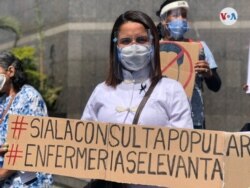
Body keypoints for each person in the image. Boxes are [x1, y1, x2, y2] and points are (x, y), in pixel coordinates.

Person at [81, 10, 193, 188]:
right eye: (126, 41)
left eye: (141, 40)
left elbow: (185, 149)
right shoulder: (101, 92)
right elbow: (83, 146)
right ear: (116, 46)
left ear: (152, 43)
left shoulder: (172, 90)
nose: (134, 46)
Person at [156, 0, 221, 129]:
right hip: (158, 117)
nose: (181, 19)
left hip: (193, 120)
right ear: (164, 19)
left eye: (184, 15)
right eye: (175, 15)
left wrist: (209, 74)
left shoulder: (200, 47)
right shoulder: (153, 48)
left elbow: (216, 86)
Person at [0, 52, 52, 187]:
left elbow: (26, 148)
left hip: (26, 182)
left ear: (10, 71)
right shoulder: (2, 101)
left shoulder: (29, 97)